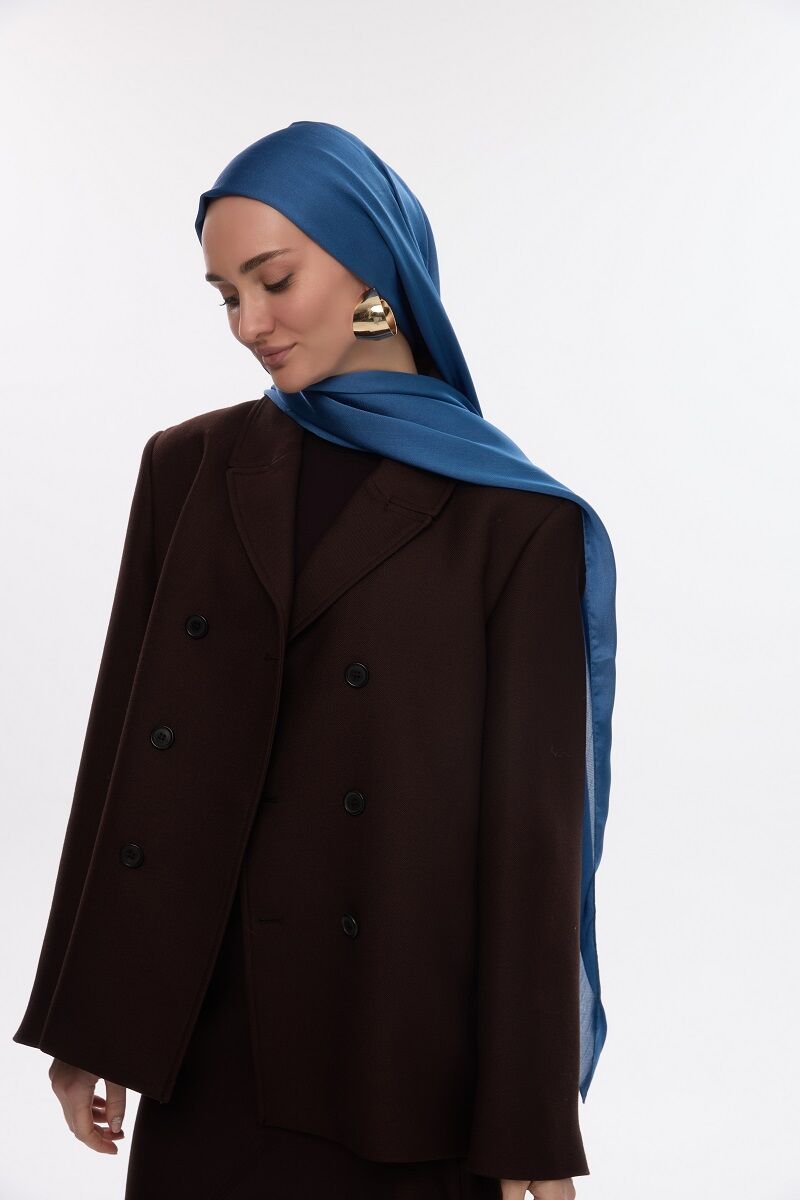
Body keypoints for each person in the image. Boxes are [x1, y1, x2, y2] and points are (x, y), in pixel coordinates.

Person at [13, 122, 617, 1200]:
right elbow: (126, 757)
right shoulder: (188, 468)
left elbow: (532, 847)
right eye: (224, 295)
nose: (248, 323)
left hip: (402, 1056)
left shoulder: (515, 523)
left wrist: (530, 1121)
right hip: (206, 1045)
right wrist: (88, 1019)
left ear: (371, 266)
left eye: (274, 279)